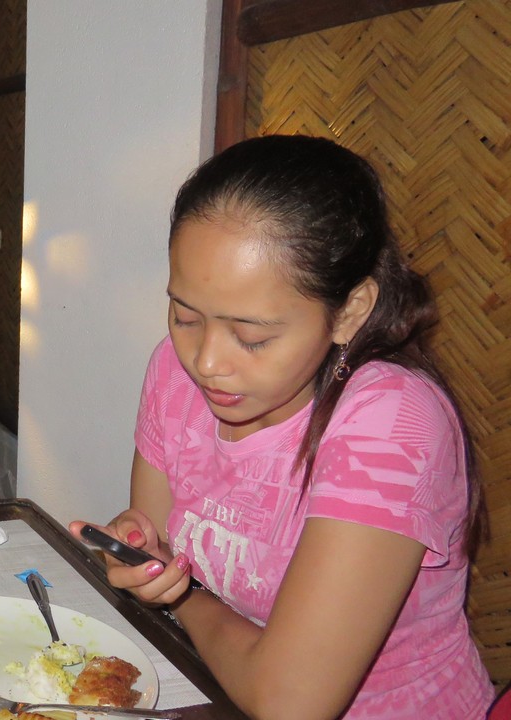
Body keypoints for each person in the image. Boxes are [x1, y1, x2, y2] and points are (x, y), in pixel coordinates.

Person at [69, 135, 493, 718]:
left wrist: (183, 597)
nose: (206, 361)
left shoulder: (392, 422)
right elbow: (156, 548)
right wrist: (141, 559)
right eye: (185, 316)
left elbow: (291, 702)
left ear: (350, 312)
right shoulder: (174, 371)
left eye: (252, 337)